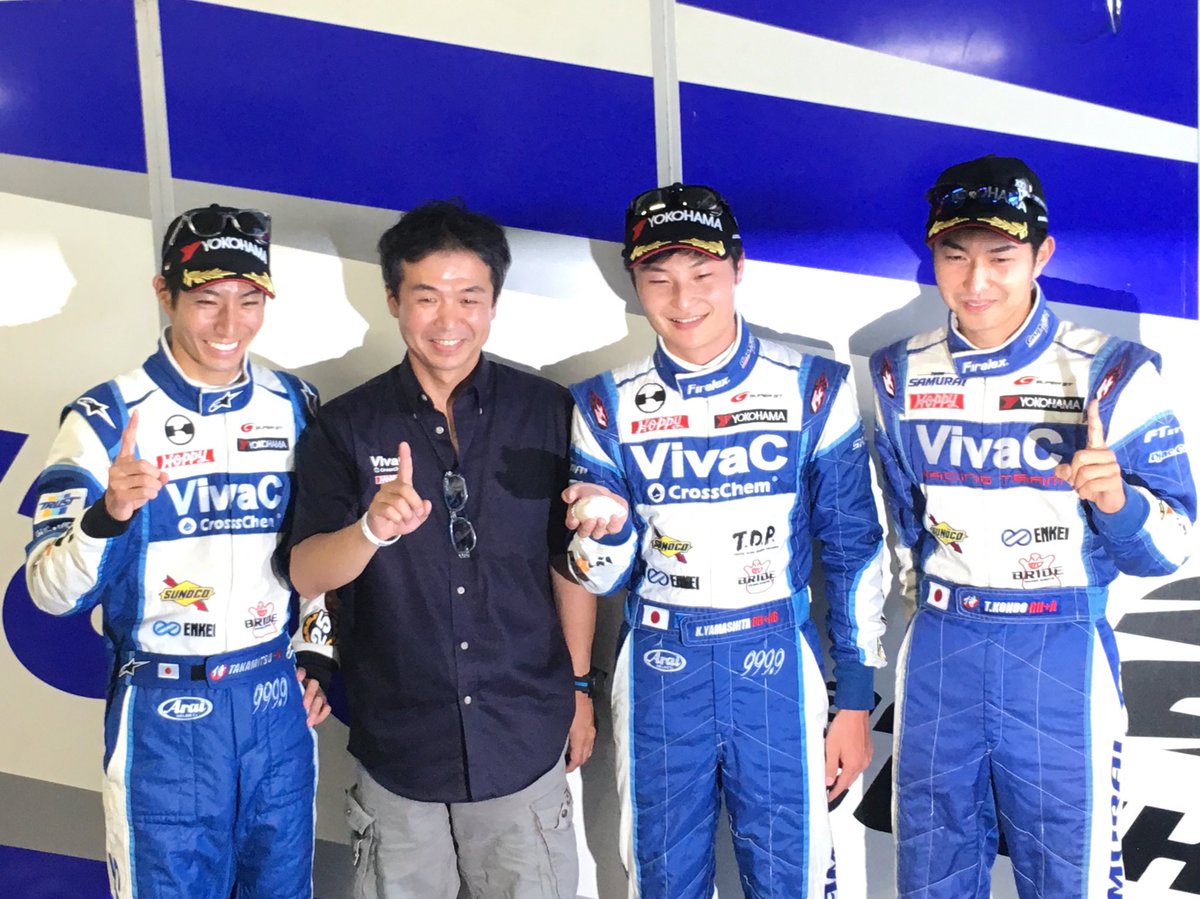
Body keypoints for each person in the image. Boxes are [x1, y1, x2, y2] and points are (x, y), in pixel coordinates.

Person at [869, 155, 1197, 898]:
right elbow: (906, 522)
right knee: (929, 878)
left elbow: (1172, 547)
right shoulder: (897, 372)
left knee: (1068, 883)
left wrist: (1118, 503)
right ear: (933, 254)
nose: (976, 281)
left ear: (1041, 254)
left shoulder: (1111, 371)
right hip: (944, 647)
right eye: (955, 255)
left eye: (1001, 257)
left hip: (1059, 649)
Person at [564, 183, 888, 898]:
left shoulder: (813, 387)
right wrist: (602, 536)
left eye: (702, 274)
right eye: (659, 278)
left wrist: (855, 701)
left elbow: (854, 549)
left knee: (795, 882)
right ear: (635, 281)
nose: (683, 300)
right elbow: (599, 576)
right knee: (661, 883)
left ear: (737, 268)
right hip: (658, 662)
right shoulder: (602, 401)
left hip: (777, 661)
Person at [287, 200, 596, 899]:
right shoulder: (346, 425)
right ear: (393, 299)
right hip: (399, 745)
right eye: (426, 297)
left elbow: (568, 564)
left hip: (522, 737)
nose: (448, 320)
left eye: (469, 298)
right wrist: (369, 530)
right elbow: (305, 571)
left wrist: (579, 688)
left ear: (494, 303)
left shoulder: (547, 411)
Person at [24, 205, 334, 899]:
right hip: (164, 712)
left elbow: (319, 544)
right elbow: (48, 591)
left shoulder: (296, 403)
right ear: (164, 293)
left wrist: (316, 650)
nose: (230, 324)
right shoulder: (104, 417)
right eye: (207, 300)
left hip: (273, 704)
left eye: (249, 300)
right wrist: (109, 514)